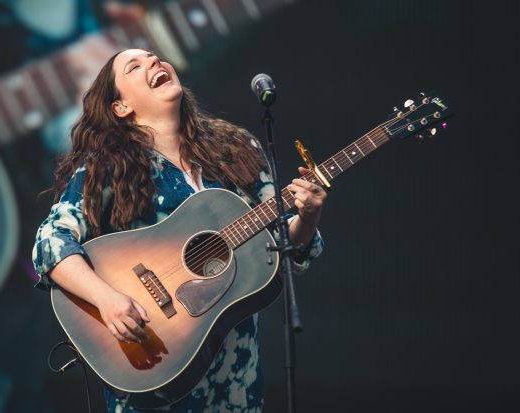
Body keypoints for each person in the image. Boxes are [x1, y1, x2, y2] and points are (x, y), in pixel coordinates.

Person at [32, 48, 327, 412]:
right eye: (135, 67)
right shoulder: (107, 166)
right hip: (150, 366)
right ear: (121, 107)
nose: (154, 63)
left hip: (235, 383)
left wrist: (308, 217)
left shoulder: (235, 149)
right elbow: (50, 241)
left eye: (155, 57)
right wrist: (106, 300)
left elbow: (282, 250)